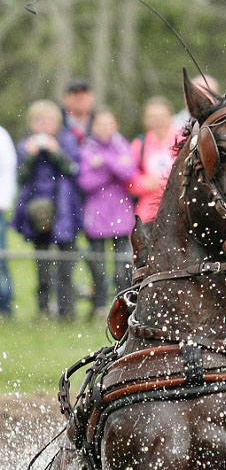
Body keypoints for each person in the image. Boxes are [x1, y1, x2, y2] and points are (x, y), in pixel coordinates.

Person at [13, 100, 82, 319]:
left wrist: (56, 152)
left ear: (58, 123)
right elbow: (20, 177)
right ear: (31, 123)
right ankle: (43, 310)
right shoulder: (25, 146)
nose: (44, 125)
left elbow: (74, 170)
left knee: (66, 266)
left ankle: (67, 311)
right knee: (42, 265)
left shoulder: (67, 142)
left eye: (49, 120)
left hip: (65, 210)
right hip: (37, 212)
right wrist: (30, 156)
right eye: (39, 120)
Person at [78, 107, 136, 317]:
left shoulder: (122, 145)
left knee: (123, 267)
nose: (104, 128)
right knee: (97, 267)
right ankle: (100, 306)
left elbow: (129, 172)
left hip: (121, 216)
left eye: (108, 123)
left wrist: (103, 162)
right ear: (93, 126)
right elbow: (86, 182)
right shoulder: (86, 148)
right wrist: (114, 168)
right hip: (96, 217)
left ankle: (122, 308)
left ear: (115, 125)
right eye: (100, 124)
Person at [129, 96, 180, 223]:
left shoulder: (183, 141)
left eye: (161, 116)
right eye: (152, 117)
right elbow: (128, 178)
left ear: (170, 116)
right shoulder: (139, 144)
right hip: (148, 213)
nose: (157, 121)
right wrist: (143, 183)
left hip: (179, 208)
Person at [0, 125, 17, 316]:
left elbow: (8, 170)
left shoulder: (1, 136)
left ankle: (4, 306)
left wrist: (3, 201)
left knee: (0, 260)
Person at [61, 77, 95, 145]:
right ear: (65, 98)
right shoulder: (56, 122)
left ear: (92, 98)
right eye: (75, 93)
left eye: (84, 93)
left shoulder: (101, 120)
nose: (80, 97)